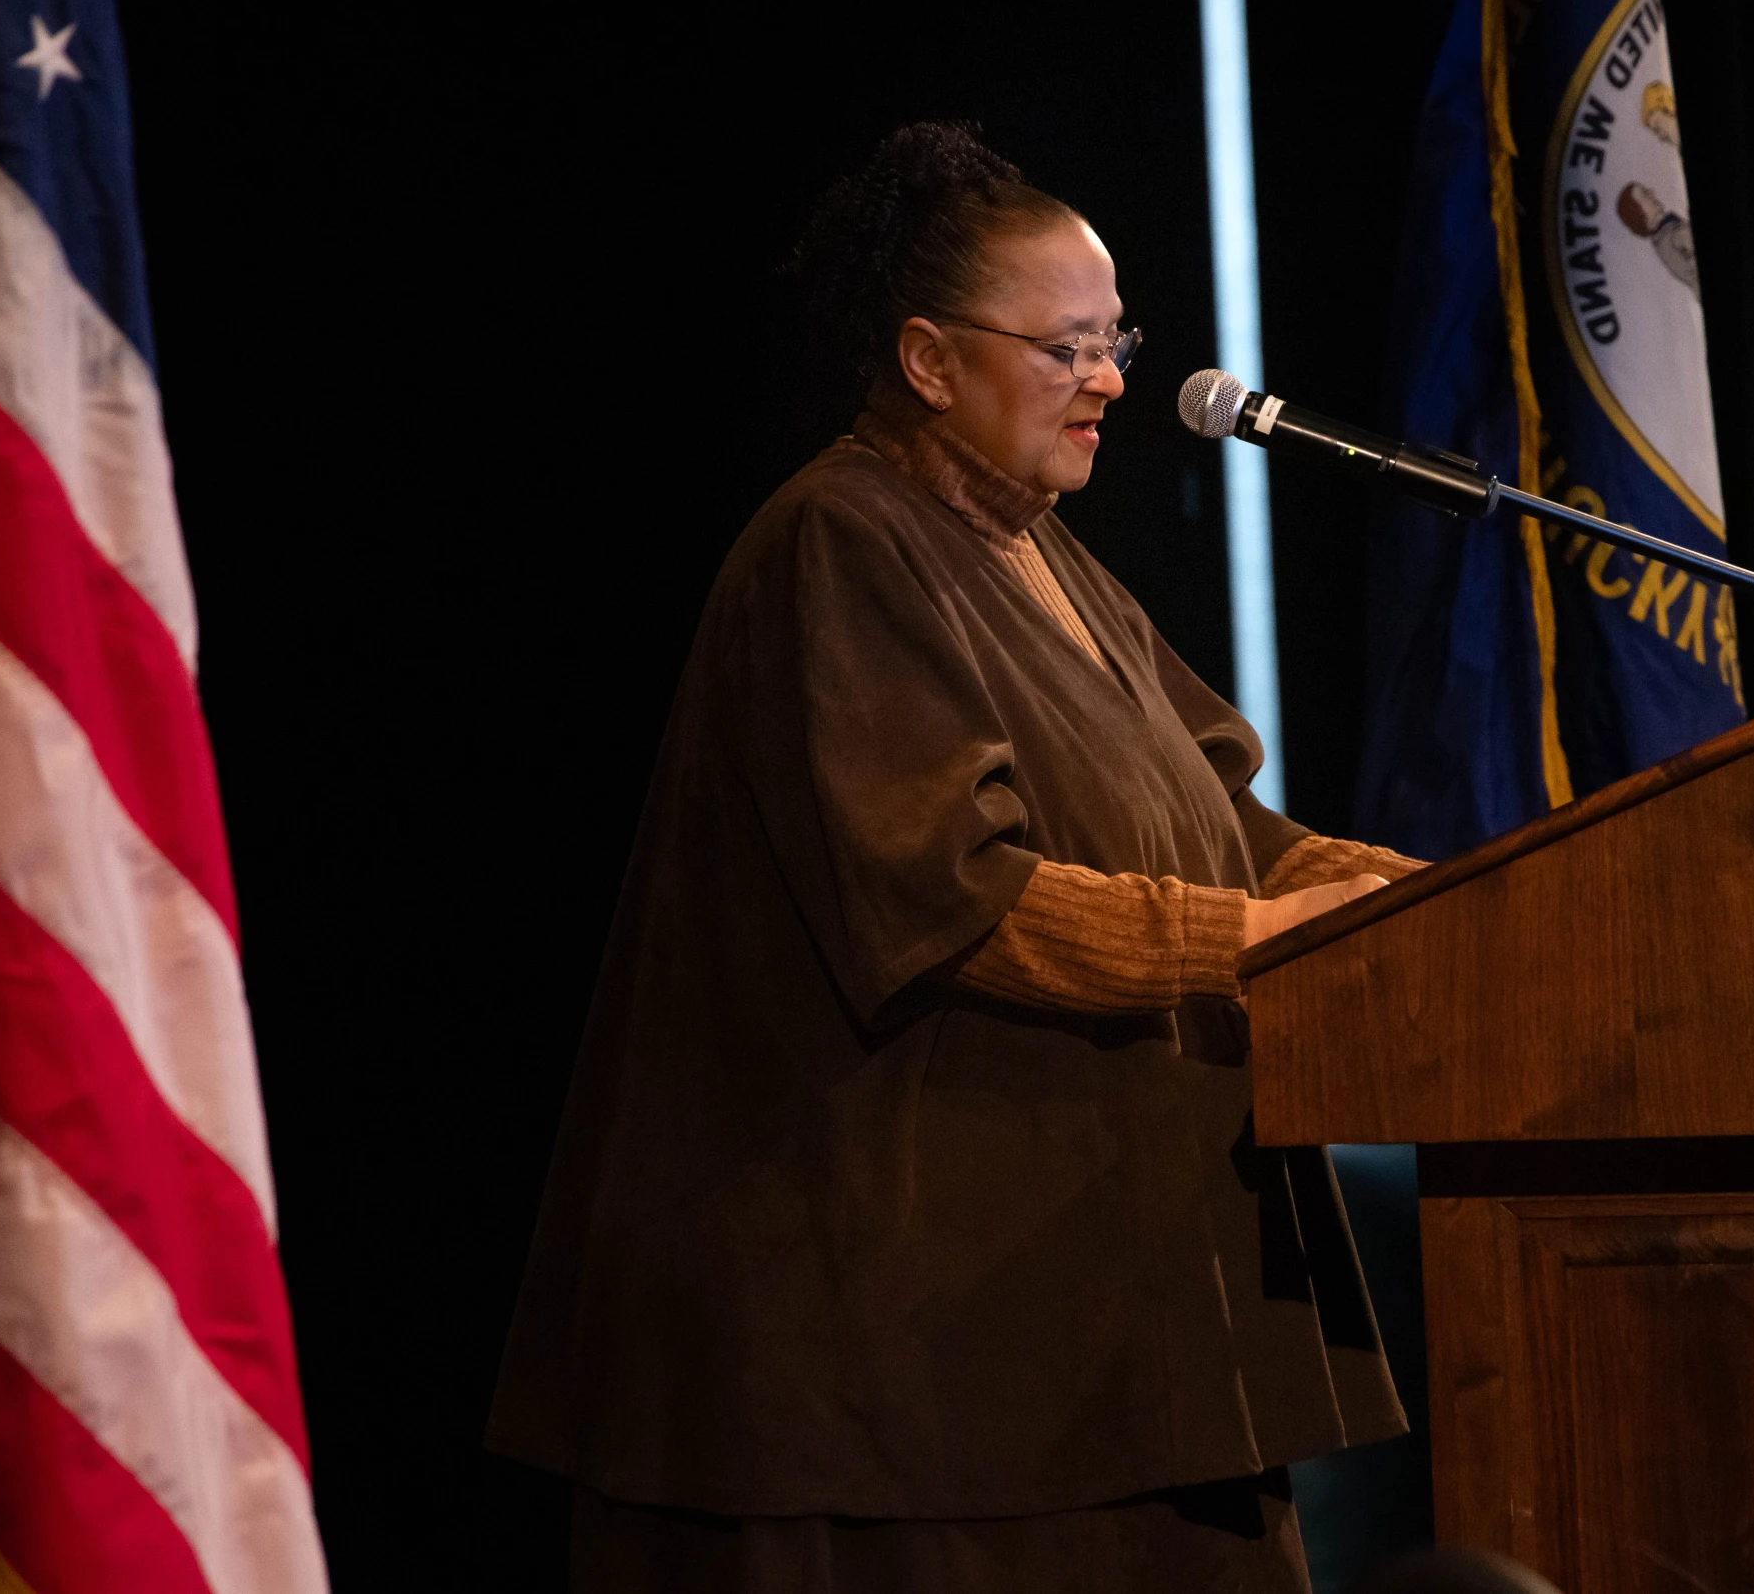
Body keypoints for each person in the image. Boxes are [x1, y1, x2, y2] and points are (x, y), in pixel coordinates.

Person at [488, 122, 1423, 1592]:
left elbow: (1220, 818)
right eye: (1066, 347)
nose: (1111, 377)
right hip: (906, 1373)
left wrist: (1431, 897)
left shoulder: (1043, 551)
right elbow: (962, 900)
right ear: (927, 359)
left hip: (1093, 1326)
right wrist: (1269, 938)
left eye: (1116, 338)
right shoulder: (839, 544)